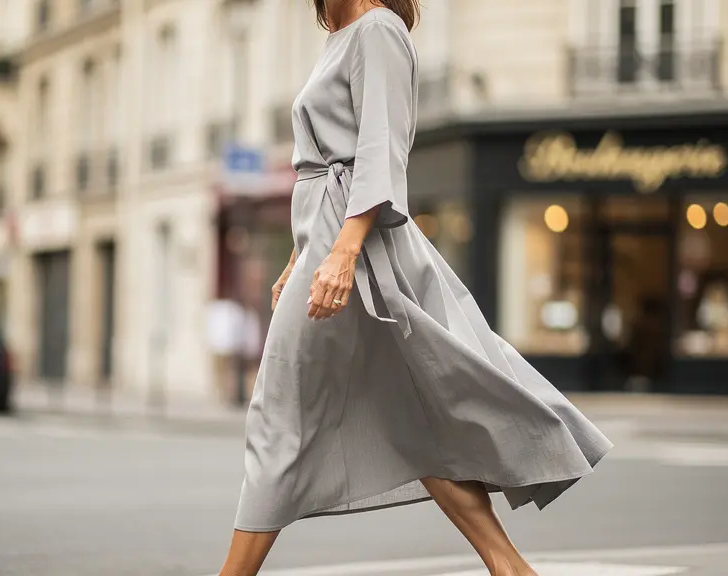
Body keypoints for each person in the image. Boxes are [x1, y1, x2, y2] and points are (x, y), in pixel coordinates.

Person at [218, 2, 613, 575]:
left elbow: (381, 149)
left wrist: (343, 251)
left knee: (278, 415)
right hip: (327, 242)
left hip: (351, 245)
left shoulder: (378, 29)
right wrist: (301, 256)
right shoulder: (343, 37)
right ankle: (510, 569)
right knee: (410, 419)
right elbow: (323, 175)